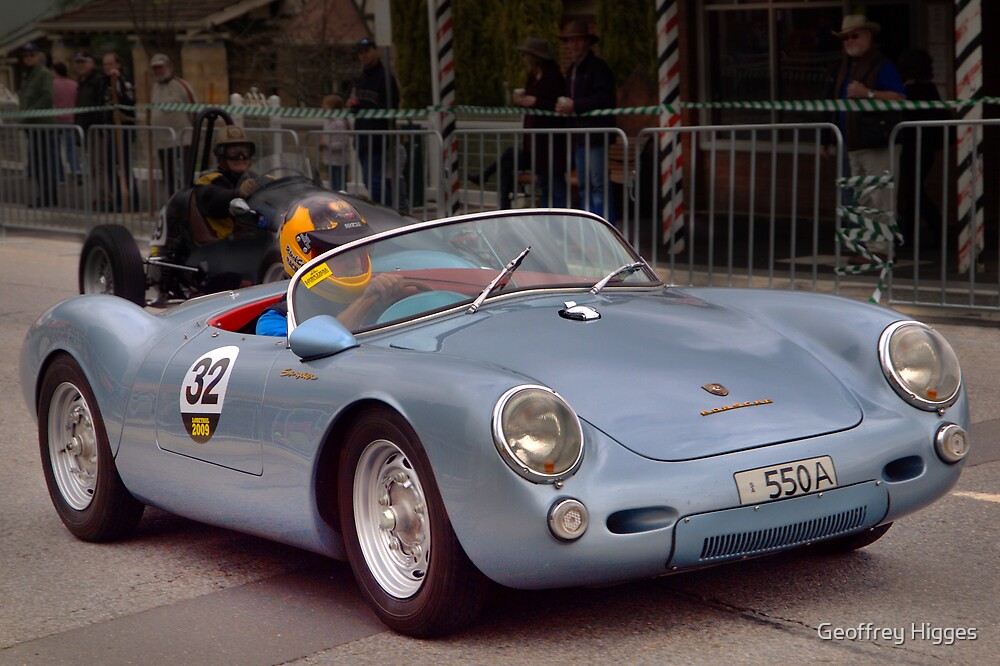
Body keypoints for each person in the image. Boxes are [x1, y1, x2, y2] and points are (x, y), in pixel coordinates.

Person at [256, 197, 421, 336]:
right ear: (305, 254)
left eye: (360, 250)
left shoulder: (382, 291)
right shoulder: (275, 321)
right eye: (343, 255)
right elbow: (315, 348)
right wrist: (365, 302)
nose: (356, 262)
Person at [822, 14, 906, 261]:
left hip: (877, 142)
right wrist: (826, 138)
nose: (850, 41)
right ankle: (869, 247)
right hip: (854, 143)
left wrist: (867, 93)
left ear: (868, 36)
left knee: (879, 197)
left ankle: (880, 250)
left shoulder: (882, 65)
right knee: (862, 199)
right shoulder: (843, 67)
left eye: (855, 35)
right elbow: (832, 103)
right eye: (845, 37)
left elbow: (899, 98)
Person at [471, 36, 567, 209]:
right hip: (534, 140)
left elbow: (557, 103)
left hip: (550, 141)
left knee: (553, 183)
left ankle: (559, 217)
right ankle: (503, 205)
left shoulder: (553, 76)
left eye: (526, 55)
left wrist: (536, 102)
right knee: (513, 162)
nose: (524, 59)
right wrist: (522, 100)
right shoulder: (532, 76)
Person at [556, 20, 617, 225]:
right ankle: (589, 230)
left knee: (598, 184)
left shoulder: (598, 68)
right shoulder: (573, 70)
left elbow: (605, 98)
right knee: (585, 185)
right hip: (580, 135)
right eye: (570, 41)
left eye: (577, 40)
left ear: (586, 42)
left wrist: (575, 105)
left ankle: (604, 228)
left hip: (596, 135)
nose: (573, 45)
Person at [896, 48, 948, 252]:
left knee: (912, 190)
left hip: (912, 146)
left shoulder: (907, 92)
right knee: (914, 190)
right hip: (927, 148)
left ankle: (923, 232)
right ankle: (918, 233)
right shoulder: (931, 89)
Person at [347, 38, 400, 207]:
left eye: (366, 51)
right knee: (369, 180)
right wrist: (353, 105)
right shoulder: (361, 78)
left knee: (375, 180)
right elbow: (356, 101)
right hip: (362, 135)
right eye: (360, 53)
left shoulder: (385, 77)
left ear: (375, 51)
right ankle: (388, 210)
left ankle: (389, 212)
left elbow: (392, 105)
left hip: (377, 137)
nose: (363, 56)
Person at [193, 124, 259, 238]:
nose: (241, 157)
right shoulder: (210, 181)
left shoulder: (256, 178)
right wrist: (238, 194)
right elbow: (212, 198)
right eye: (233, 152)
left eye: (245, 151)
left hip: (257, 240)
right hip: (222, 245)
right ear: (221, 156)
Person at [149, 53, 197, 194]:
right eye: (155, 68)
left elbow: (194, 109)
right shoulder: (154, 87)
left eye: (160, 67)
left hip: (182, 139)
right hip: (163, 142)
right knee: (168, 177)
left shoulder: (181, 85)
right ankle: (172, 205)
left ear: (169, 67)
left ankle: (187, 202)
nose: (158, 71)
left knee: (185, 176)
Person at [18, 42, 57, 208]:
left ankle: (49, 196)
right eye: (26, 56)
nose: (28, 58)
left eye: (31, 55)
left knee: (44, 163)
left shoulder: (43, 74)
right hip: (31, 125)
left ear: (38, 56)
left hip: (42, 124)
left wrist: (31, 112)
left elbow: (47, 97)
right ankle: (44, 195)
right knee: (37, 163)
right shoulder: (28, 75)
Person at [101, 51, 137, 212]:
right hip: (109, 127)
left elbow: (128, 100)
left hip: (123, 128)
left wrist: (118, 82)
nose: (107, 68)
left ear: (118, 65)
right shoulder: (104, 81)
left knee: (124, 165)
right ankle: (116, 198)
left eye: (110, 64)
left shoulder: (125, 81)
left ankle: (131, 199)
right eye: (105, 65)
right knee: (110, 165)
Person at [52, 62, 82, 183]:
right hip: (72, 119)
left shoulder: (53, 84)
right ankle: (76, 170)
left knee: (56, 148)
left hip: (57, 119)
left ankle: (60, 175)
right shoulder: (74, 84)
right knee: (71, 147)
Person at [319, 94, 350, 191]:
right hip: (329, 159)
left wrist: (327, 145)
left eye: (325, 105)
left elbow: (342, 142)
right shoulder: (328, 122)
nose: (323, 108)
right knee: (332, 186)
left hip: (340, 160)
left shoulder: (339, 123)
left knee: (340, 186)